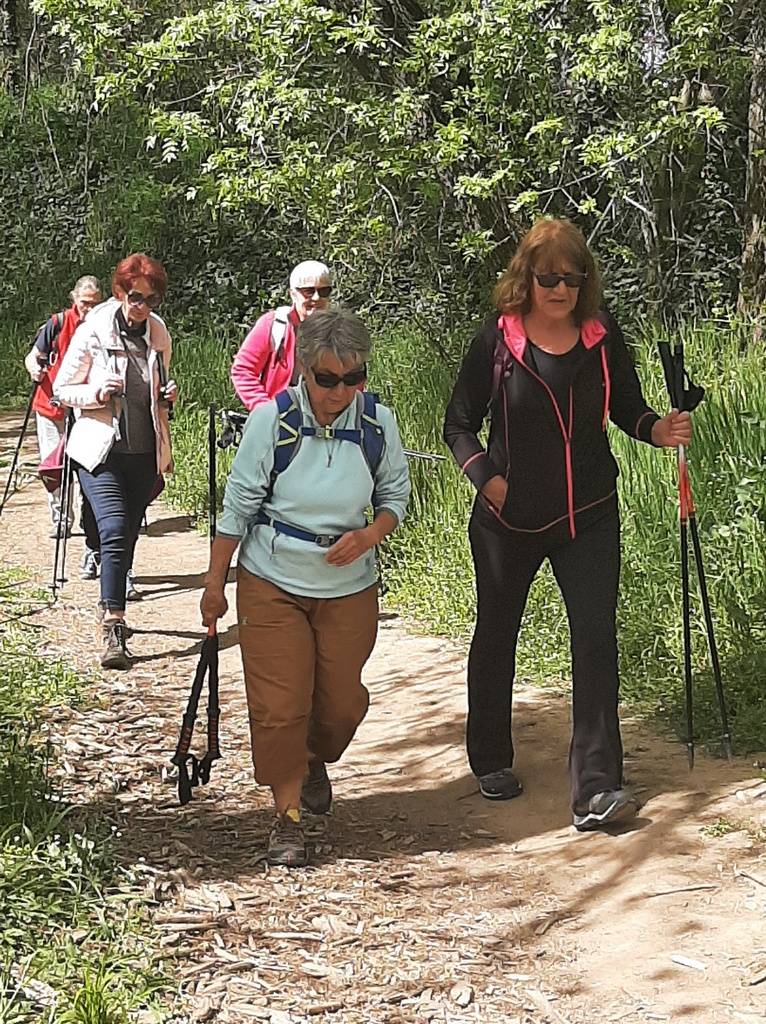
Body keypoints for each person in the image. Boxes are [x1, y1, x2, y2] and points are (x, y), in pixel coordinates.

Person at [443, 217, 692, 832]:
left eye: (571, 279)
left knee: (595, 639)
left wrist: (659, 430)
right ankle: (491, 758)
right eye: (548, 277)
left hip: (590, 513)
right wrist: (488, 481)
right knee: (497, 632)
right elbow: (457, 424)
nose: (560, 290)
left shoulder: (604, 340)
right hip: (508, 519)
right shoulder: (495, 343)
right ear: (525, 280)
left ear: (585, 283)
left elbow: (628, 409)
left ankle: (598, 786)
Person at [201, 308, 410, 867]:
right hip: (272, 578)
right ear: (302, 372)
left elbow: (394, 499)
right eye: (327, 378)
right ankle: (286, 818)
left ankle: (315, 757)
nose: (341, 391)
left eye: (354, 378)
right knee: (280, 704)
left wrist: (368, 535)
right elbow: (238, 505)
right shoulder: (272, 421)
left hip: (349, 584)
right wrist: (215, 584)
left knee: (340, 704)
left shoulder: (377, 424)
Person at [53, 253, 177, 670]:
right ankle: (114, 625)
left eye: (152, 299)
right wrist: (96, 393)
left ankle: (112, 591)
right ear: (121, 293)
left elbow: (156, 393)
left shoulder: (158, 334)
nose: (143, 305)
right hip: (99, 451)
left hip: (144, 452)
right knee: (114, 526)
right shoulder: (93, 331)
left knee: (126, 535)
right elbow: (62, 388)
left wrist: (167, 398)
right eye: (137, 296)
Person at [24, 276, 102, 538]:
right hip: (50, 405)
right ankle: (60, 519)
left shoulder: (103, 327)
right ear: (74, 299)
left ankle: (89, 520)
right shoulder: (57, 323)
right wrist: (35, 369)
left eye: (94, 304)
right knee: (55, 465)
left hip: (87, 407)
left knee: (86, 463)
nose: (89, 309)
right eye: (84, 303)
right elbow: (33, 356)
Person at [231, 260, 332, 409]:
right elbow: (243, 371)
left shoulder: (339, 329)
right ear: (293, 294)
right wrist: (266, 410)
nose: (316, 298)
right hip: (280, 417)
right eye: (308, 291)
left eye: (324, 291)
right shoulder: (273, 324)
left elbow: (353, 376)